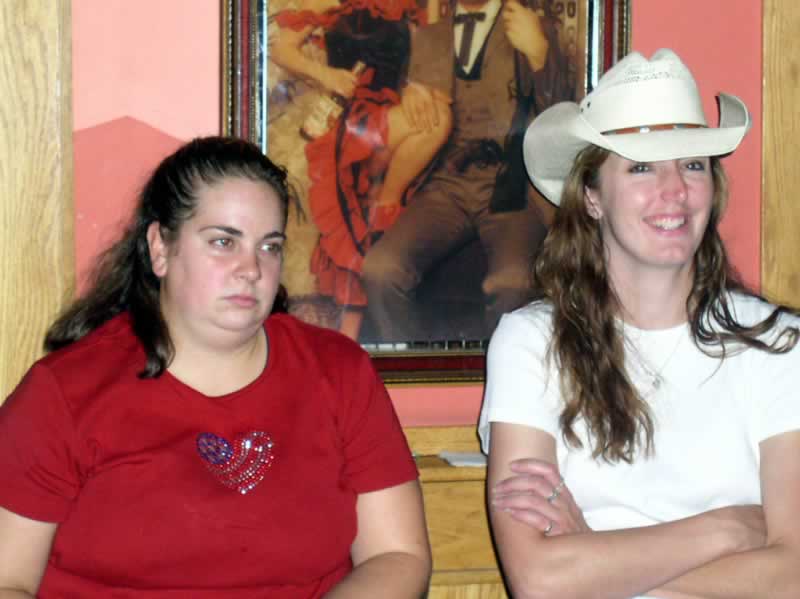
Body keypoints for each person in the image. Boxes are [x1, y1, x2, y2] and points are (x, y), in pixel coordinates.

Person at [0, 137, 431, 598]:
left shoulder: (339, 371)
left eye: (269, 247)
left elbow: (398, 556)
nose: (251, 269)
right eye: (224, 242)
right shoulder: (62, 392)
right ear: (160, 248)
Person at [479, 48, 800, 598]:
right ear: (592, 197)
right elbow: (540, 581)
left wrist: (597, 552)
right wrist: (730, 529)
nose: (675, 190)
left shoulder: (777, 341)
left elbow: (793, 576)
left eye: (693, 164)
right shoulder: (530, 342)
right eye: (642, 167)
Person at [361, 0, 574, 343]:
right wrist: (410, 96)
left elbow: (561, 123)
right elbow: (401, 123)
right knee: (380, 269)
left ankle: (501, 370)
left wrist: (539, 56)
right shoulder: (427, 37)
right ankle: (417, 366)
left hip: (511, 187)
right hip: (445, 185)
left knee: (513, 283)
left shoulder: (532, 27)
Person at [271, 0, 451, 340]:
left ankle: (384, 207)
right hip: (346, 116)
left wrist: (415, 85)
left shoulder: (414, 5)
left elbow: (430, 55)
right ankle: (345, 340)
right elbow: (281, 49)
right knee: (353, 206)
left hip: (390, 111)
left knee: (436, 119)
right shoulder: (328, 1)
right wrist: (328, 75)